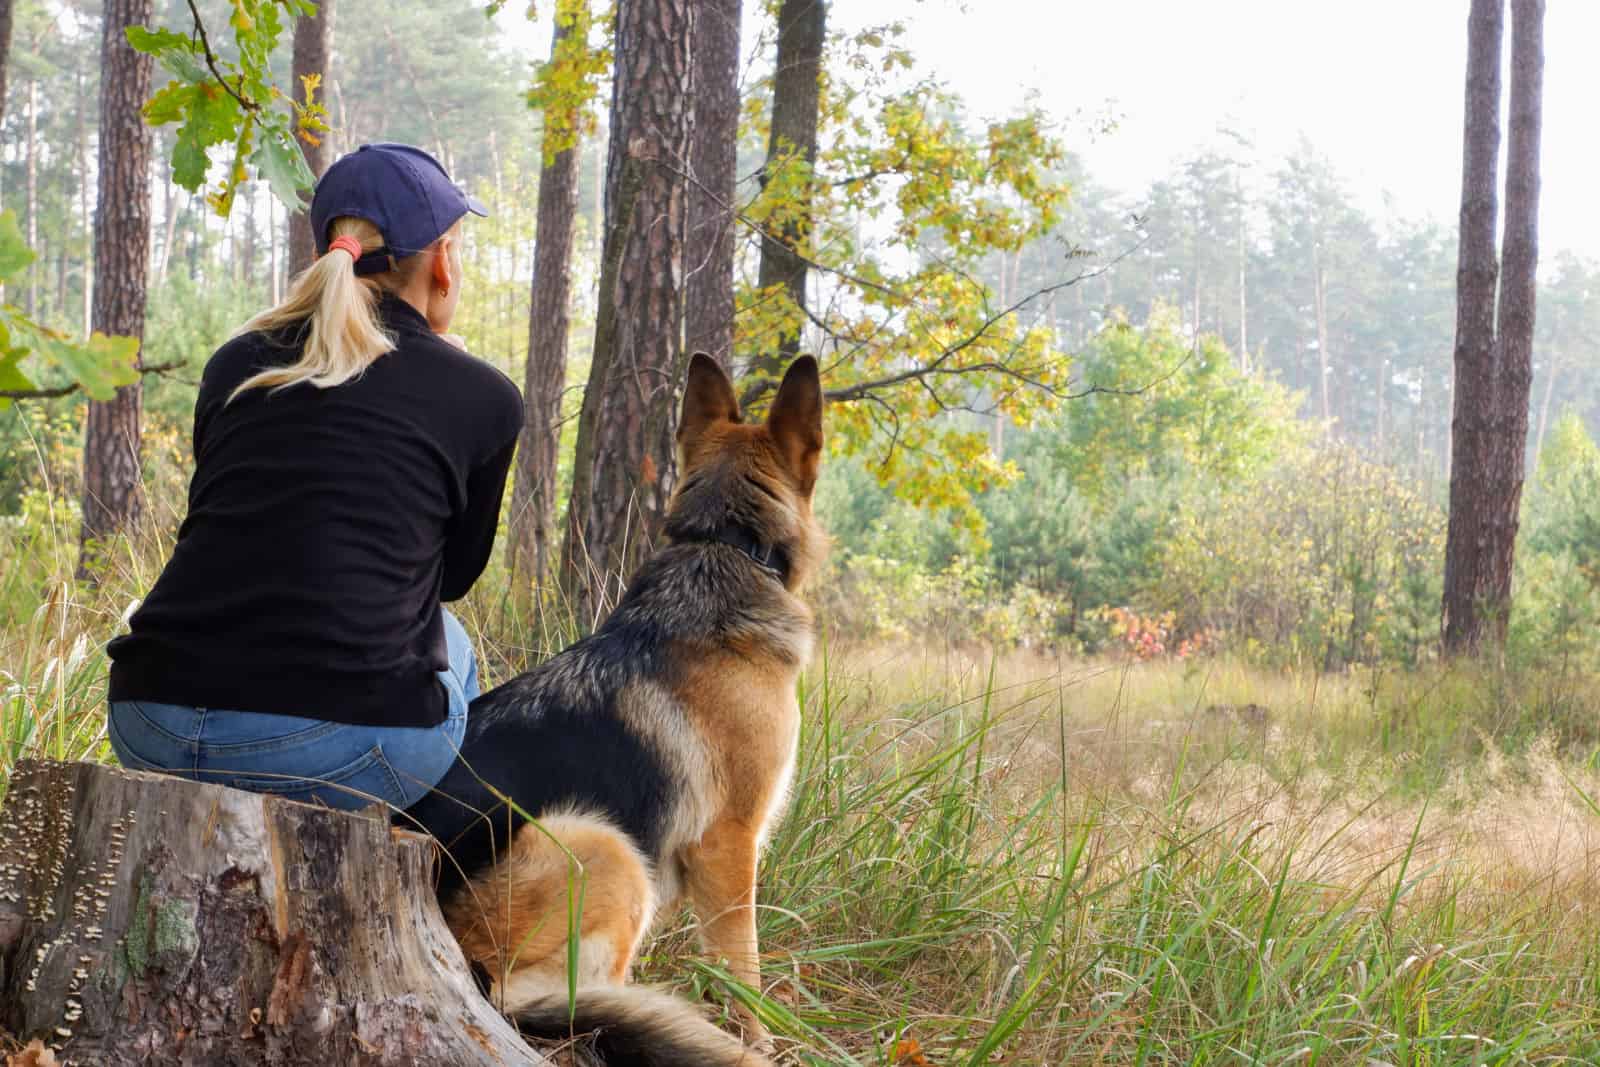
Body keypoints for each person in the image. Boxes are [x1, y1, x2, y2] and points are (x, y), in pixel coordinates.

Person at [105, 143, 524, 811]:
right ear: (442, 262)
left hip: (149, 717)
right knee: (455, 645)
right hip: (334, 748)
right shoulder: (483, 395)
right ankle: (425, 884)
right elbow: (449, 580)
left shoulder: (234, 363)